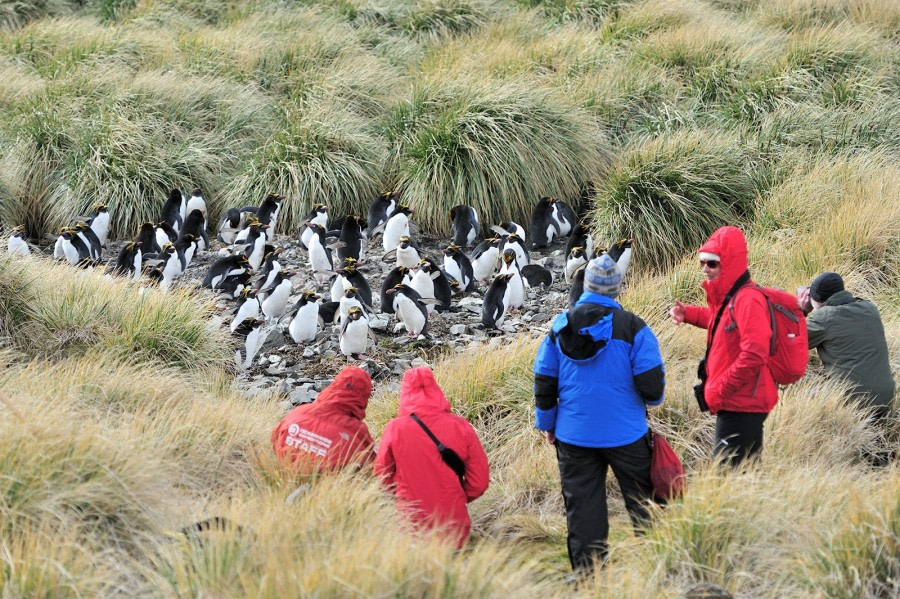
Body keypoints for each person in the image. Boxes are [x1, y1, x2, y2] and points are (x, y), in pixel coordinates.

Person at [533, 252, 666, 572]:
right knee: (644, 504)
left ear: (587, 287)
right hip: (627, 434)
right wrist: (646, 402)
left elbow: (544, 382)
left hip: (574, 437)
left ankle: (589, 579)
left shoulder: (559, 329)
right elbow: (653, 391)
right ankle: (659, 568)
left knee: (583, 509)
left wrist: (548, 425)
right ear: (616, 290)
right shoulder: (634, 328)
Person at [669, 225, 778, 466]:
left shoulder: (748, 299)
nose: (705, 269)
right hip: (738, 401)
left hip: (742, 402)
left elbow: (755, 353)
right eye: (702, 263)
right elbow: (720, 323)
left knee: (726, 477)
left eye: (712, 263)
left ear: (729, 262)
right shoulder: (732, 297)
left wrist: (721, 387)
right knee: (744, 475)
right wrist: (687, 313)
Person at [375, 367, 489, 549]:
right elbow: (479, 481)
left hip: (411, 528)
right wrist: (456, 498)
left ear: (405, 392)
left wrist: (403, 496)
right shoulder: (461, 426)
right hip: (454, 530)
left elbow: (382, 477)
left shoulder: (395, 429)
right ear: (436, 389)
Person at [798, 272, 894, 417]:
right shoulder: (870, 308)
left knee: (801, 399)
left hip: (853, 403)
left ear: (818, 300)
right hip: (885, 399)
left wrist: (802, 310)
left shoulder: (825, 317)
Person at [271, 365, 375, 474]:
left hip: (283, 479)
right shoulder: (358, 432)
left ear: (334, 385)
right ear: (364, 397)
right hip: (332, 488)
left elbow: (275, 439)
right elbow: (373, 465)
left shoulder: (298, 412)